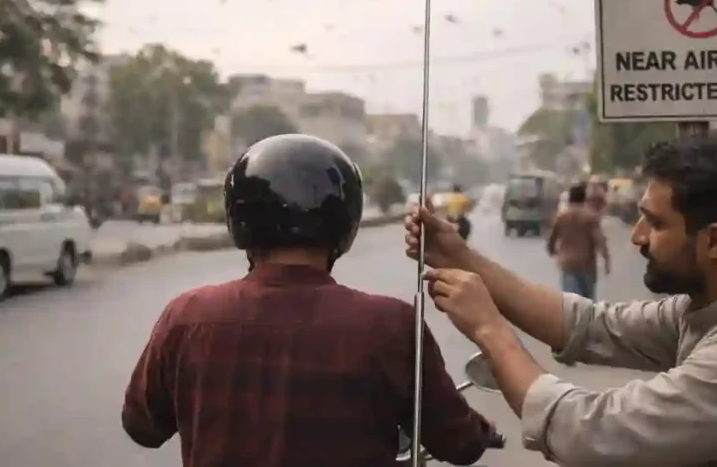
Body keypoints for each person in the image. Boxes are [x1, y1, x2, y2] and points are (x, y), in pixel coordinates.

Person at [405, 128, 717, 466]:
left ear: (714, 243)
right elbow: (589, 325)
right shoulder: (714, 309)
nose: (637, 237)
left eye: (655, 223)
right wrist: (461, 256)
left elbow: (584, 434)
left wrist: (489, 330)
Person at [122, 134, 499, 467]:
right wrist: (482, 431)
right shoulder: (390, 325)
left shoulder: (187, 317)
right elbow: (458, 444)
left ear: (238, 218)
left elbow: (142, 427)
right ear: (345, 221)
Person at [546, 183, 610, 300]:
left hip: (568, 264)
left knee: (571, 303)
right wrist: (606, 259)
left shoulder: (562, 217)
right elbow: (600, 239)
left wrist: (553, 252)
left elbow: (552, 239)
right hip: (587, 265)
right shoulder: (591, 217)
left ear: (570, 197)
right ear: (584, 198)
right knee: (587, 303)